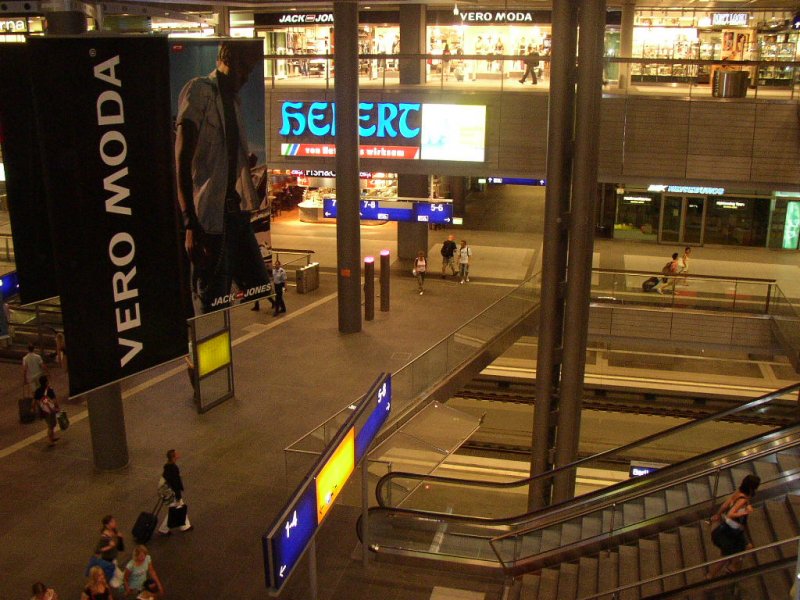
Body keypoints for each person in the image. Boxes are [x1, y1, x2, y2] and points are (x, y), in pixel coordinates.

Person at [175, 42, 272, 315]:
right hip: (211, 218)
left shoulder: (234, 102)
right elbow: (182, 160)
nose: (247, 77)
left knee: (260, 284)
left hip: (236, 212)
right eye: (244, 68)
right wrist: (190, 222)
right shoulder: (199, 90)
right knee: (211, 301)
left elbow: (221, 157)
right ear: (226, 58)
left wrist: (242, 164)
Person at [708, 474, 760, 579]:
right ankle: (711, 575)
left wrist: (718, 514)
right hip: (731, 530)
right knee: (727, 555)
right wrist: (746, 511)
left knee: (747, 547)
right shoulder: (742, 499)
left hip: (730, 528)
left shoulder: (739, 492)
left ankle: (733, 566)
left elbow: (725, 505)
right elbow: (730, 514)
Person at [158, 449, 193, 535]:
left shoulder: (168, 466)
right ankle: (163, 529)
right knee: (175, 509)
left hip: (167, 491)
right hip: (172, 493)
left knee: (180, 507)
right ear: (173, 457)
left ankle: (185, 526)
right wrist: (178, 496)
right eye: (176, 454)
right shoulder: (173, 468)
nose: (178, 454)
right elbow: (175, 483)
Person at [95, 515, 125, 590]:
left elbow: (119, 547)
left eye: (114, 521)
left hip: (113, 557)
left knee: (117, 572)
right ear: (107, 525)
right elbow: (98, 550)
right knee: (114, 577)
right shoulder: (104, 537)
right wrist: (109, 546)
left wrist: (119, 538)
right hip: (108, 559)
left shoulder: (114, 531)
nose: (115, 523)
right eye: (112, 522)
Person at [34, 375, 59, 446]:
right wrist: (57, 407)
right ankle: (50, 440)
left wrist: (38, 408)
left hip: (43, 410)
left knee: (51, 424)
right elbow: (54, 400)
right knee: (51, 425)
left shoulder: (37, 391)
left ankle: (52, 437)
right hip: (51, 410)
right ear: (46, 382)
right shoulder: (50, 390)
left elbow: (36, 401)